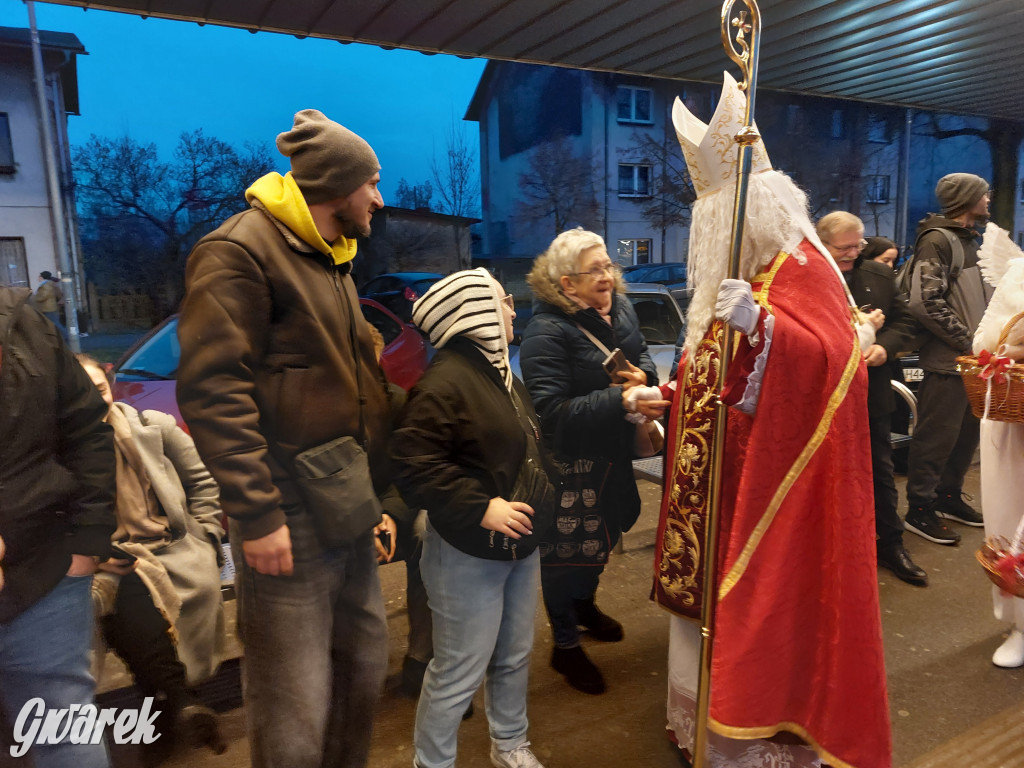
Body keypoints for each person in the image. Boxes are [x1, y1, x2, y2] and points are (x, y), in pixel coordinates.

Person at [648, 72, 890, 767]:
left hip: (766, 493)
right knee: (706, 623)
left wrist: (767, 329)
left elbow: (838, 358)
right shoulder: (747, 270)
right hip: (714, 485)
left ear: (747, 211)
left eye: (715, 222)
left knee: (761, 621)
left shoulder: (799, 265)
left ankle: (751, 737)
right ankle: (698, 724)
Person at [176, 108, 391, 768]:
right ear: (336, 184)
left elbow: (355, 394)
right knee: (293, 700)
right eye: (372, 183)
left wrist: (375, 500)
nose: (379, 199)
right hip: (287, 518)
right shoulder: (238, 252)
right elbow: (213, 389)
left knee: (361, 676)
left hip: (346, 506)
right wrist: (256, 510)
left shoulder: (331, 261)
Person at [392, 269, 556, 768]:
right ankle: (432, 762)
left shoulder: (502, 375)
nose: (512, 308)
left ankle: (509, 745)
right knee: (458, 669)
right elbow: (413, 467)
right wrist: (481, 506)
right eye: (503, 300)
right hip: (466, 553)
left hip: (519, 547)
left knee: (513, 656)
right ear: (475, 313)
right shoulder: (444, 383)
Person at [519, 228, 667, 695]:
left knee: (609, 533)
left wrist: (644, 377)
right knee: (566, 559)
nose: (608, 277)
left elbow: (639, 354)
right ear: (566, 284)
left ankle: (585, 605)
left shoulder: (620, 307)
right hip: (572, 466)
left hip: (614, 455)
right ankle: (564, 646)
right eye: (596, 271)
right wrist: (620, 401)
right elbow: (551, 413)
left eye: (609, 266)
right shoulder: (546, 330)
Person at [77, 354, 226, 758]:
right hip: (106, 558)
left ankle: (163, 713)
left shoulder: (153, 428)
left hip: (174, 550)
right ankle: (177, 703)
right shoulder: (65, 448)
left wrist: (209, 535)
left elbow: (203, 482)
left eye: (101, 390)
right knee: (122, 595)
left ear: (110, 383)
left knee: (126, 602)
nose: (96, 401)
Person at [0, 285, 115, 768]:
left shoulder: (26, 325)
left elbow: (87, 428)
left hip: (46, 573)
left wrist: (87, 542)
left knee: (65, 730)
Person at [817, 212, 925, 586]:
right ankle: (829, 548)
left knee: (880, 471)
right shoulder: (809, 278)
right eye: (843, 248)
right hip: (820, 397)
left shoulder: (878, 275)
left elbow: (907, 323)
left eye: (858, 245)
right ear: (821, 243)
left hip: (871, 392)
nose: (852, 254)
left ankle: (891, 543)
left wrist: (883, 347)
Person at [903, 173, 993, 545]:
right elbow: (924, 302)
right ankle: (920, 508)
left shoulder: (972, 241)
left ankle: (948, 495)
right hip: (949, 361)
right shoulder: (939, 241)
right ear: (967, 200)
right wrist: (971, 342)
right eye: (983, 194)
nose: (989, 199)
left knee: (965, 435)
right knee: (936, 437)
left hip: (975, 361)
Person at [972, 225, 1024, 667]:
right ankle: (1020, 624)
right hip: (1017, 424)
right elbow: (982, 342)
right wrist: (1013, 347)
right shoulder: (1018, 275)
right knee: (1011, 516)